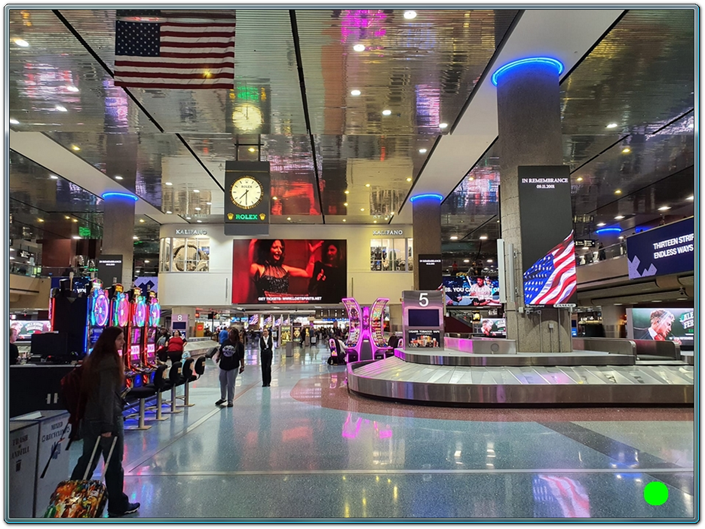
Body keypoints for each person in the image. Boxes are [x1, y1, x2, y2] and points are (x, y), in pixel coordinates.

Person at [69, 326, 140, 518]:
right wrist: (108, 426)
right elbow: (107, 396)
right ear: (110, 342)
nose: (123, 342)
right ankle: (117, 505)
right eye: (119, 339)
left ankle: (72, 499)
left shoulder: (93, 360)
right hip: (107, 420)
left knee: (87, 460)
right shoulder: (110, 363)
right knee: (114, 463)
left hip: (91, 418)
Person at [250, 239, 322, 303]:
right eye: (275, 247)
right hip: (266, 310)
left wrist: (312, 254)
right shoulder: (257, 267)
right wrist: (252, 244)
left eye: (281, 248)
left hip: (282, 309)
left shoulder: (285, 268)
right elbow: (248, 268)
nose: (279, 251)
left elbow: (308, 274)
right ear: (267, 249)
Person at [214, 328, 245, 407]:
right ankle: (223, 398)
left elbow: (241, 357)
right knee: (222, 382)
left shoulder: (239, 344)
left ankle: (230, 400)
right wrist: (218, 357)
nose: (229, 334)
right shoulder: (225, 342)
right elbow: (221, 350)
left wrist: (242, 366)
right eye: (229, 332)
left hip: (233, 366)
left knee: (231, 384)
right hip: (223, 365)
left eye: (231, 333)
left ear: (235, 334)